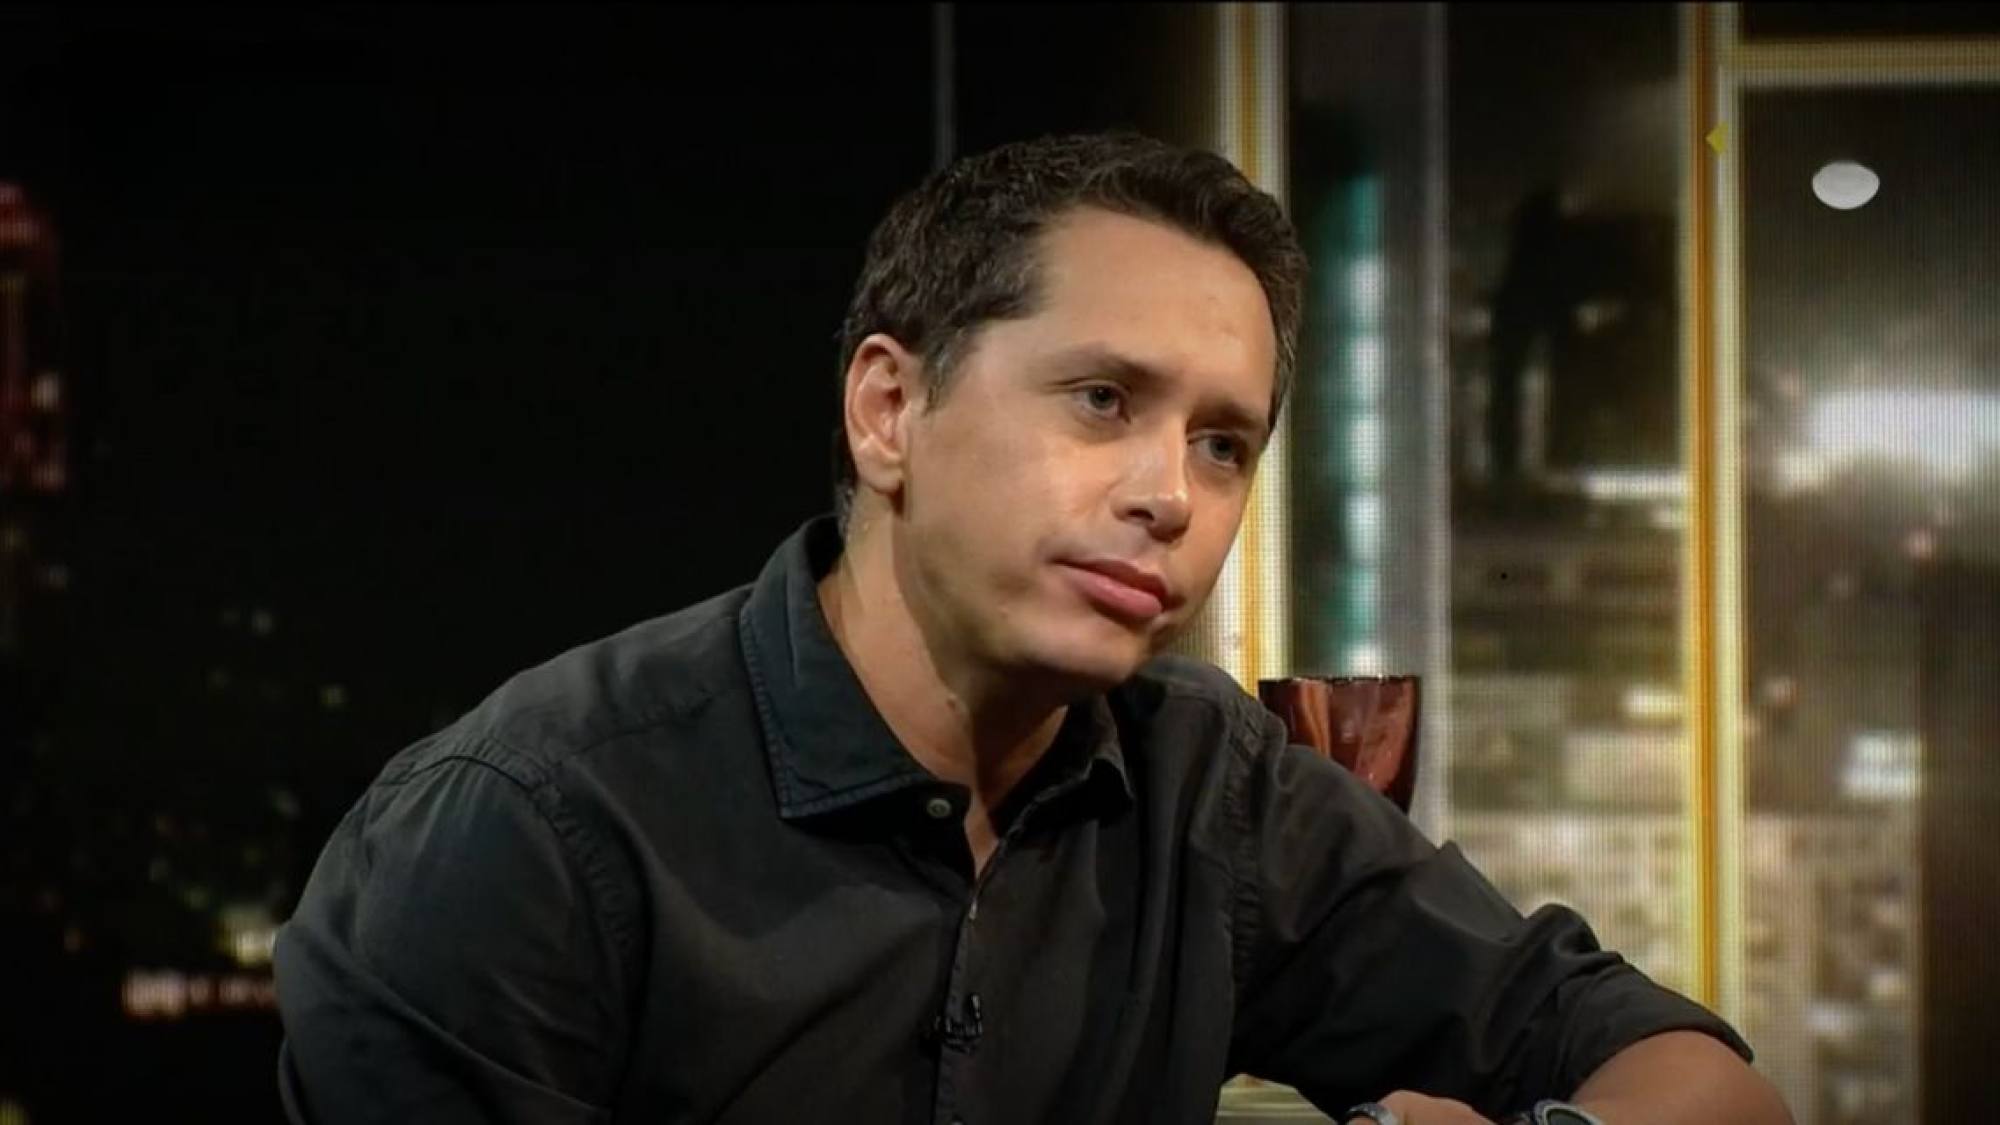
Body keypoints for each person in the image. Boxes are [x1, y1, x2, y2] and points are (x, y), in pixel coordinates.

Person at [272, 132, 1792, 1125]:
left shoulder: (1210, 786)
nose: (1168, 495)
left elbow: (1698, 1076)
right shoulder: (527, 829)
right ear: (890, 410)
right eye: (1103, 400)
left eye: (1222, 445)